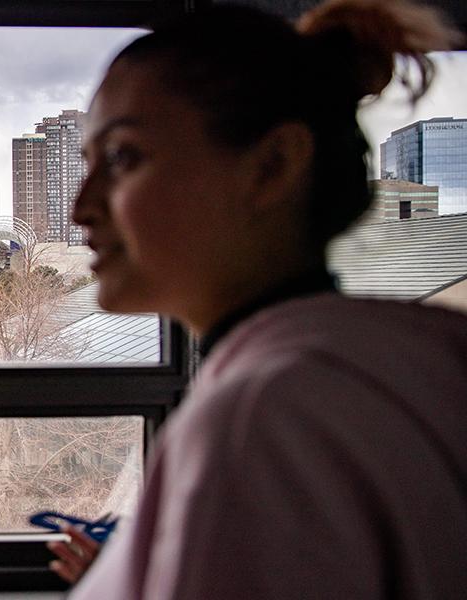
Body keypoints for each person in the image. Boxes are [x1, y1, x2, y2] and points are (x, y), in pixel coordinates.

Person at [48, 0, 467, 597]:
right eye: (88, 164)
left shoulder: (258, 418)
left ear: (273, 166)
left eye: (123, 158)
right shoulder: (408, 364)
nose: (80, 209)